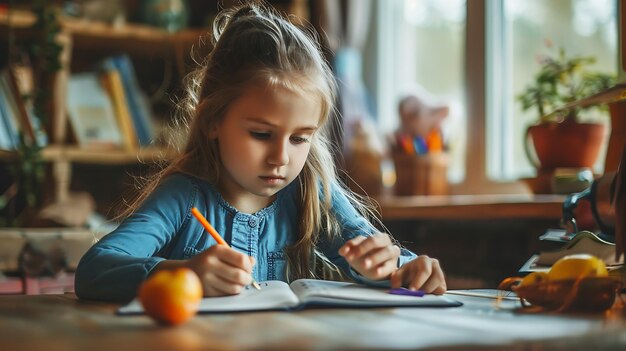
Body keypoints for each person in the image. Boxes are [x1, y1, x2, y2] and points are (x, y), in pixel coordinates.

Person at [75, 2, 447, 302]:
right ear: (212, 121)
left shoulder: (310, 190)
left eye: (300, 138)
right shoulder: (182, 197)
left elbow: (378, 255)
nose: (280, 158)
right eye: (261, 134)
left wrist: (400, 267)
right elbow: (95, 269)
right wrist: (183, 273)